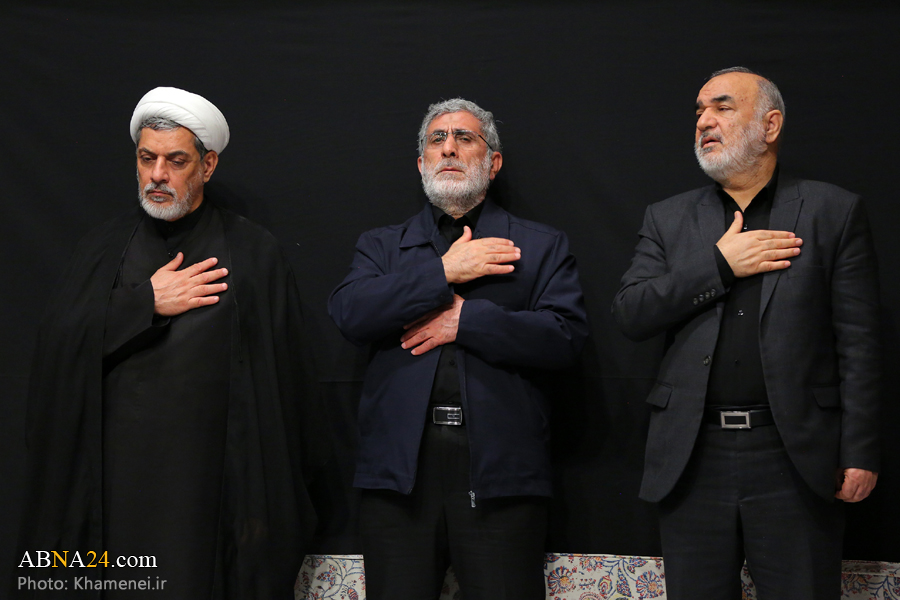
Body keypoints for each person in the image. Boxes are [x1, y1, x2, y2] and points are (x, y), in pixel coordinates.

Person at [17, 87, 316, 599]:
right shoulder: (102, 249)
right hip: (113, 483)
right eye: (146, 159)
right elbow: (57, 350)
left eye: (176, 161)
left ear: (207, 165)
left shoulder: (253, 252)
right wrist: (146, 303)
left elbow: (287, 386)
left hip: (211, 486)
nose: (157, 175)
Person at [613, 67, 881, 599]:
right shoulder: (668, 218)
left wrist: (860, 451)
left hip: (795, 456)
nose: (703, 121)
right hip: (692, 457)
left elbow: (859, 343)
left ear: (770, 125)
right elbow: (631, 312)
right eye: (698, 111)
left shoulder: (832, 210)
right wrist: (719, 266)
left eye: (722, 107)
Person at [328, 98, 588, 600]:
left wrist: (468, 320)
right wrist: (443, 271)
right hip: (398, 474)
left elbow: (564, 338)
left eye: (465, 138)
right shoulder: (381, 247)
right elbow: (349, 313)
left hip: (502, 473)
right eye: (437, 139)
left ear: (493, 162)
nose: (449, 148)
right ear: (421, 162)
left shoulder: (540, 245)